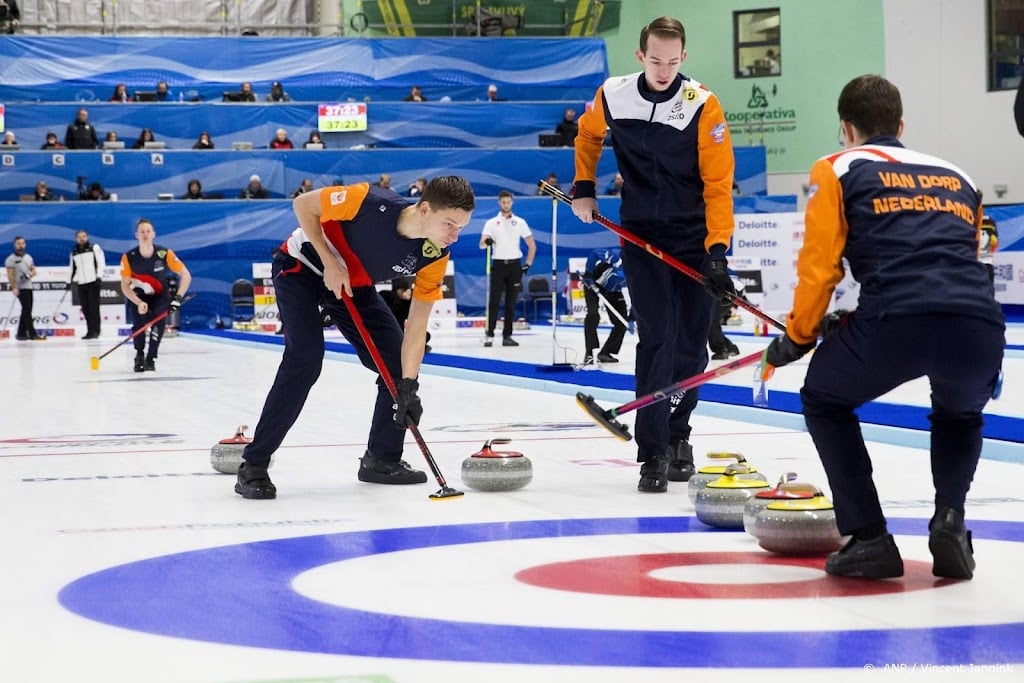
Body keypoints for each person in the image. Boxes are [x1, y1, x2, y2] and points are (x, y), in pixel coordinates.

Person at [762, 75, 1005, 581]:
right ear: (900, 125)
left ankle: (870, 538)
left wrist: (799, 337)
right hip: (979, 325)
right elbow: (974, 252)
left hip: (896, 320)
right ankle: (950, 522)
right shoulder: (957, 174)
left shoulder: (836, 168)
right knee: (960, 415)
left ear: (845, 129)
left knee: (824, 398)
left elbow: (820, 267)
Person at [571, 16, 737, 493]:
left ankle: (679, 434)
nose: (664, 70)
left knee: (691, 342)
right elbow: (587, 135)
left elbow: (718, 186)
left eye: (673, 61)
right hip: (641, 233)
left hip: (694, 238)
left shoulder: (701, 105)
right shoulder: (614, 94)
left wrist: (718, 255)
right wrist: (584, 185)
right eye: (655, 59)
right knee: (657, 335)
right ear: (640, 56)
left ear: (683, 58)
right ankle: (653, 451)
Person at [232, 176, 475, 500]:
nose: (454, 236)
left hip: (353, 285)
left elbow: (415, 327)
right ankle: (254, 464)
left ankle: (381, 459)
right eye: (449, 224)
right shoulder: (368, 201)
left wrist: (408, 387)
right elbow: (303, 205)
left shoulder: (434, 255)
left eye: (460, 228)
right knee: (305, 359)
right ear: (425, 209)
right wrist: (330, 261)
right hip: (301, 266)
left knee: (394, 362)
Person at [119, 218, 191, 372]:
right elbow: (124, 285)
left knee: (159, 322)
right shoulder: (129, 257)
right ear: (136, 235)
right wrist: (138, 302)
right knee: (139, 324)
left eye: (148, 231)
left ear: (154, 234)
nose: (145, 234)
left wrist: (177, 298)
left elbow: (186, 275)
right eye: (142, 232)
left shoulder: (164, 253)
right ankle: (139, 355)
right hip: (139, 296)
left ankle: (151, 357)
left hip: (160, 295)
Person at [479, 190, 536, 347]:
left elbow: (532, 245)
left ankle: (507, 336)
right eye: (503, 202)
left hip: (514, 265)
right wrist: (487, 242)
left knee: (511, 303)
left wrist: (528, 264)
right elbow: (482, 243)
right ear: (499, 203)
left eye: (508, 202)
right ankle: (489, 334)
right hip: (498, 265)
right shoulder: (491, 222)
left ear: (512, 202)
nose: (506, 204)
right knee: (494, 302)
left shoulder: (520, 222)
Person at [581, 247, 629, 364]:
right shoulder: (617, 258)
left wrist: (633, 316)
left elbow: (636, 295)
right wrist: (588, 273)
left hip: (613, 289)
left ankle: (605, 352)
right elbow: (594, 253)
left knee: (621, 321)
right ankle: (589, 353)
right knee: (593, 315)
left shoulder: (638, 275)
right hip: (593, 284)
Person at [68, 229, 106, 339]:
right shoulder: (74, 251)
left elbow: (101, 262)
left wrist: (99, 276)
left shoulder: (94, 248)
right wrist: (68, 281)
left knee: (94, 307)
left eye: (84, 236)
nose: (82, 238)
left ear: (87, 237)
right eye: (79, 236)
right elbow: (72, 268)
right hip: (81, 283)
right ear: (76, 239)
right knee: (85, 308)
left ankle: (96, 331)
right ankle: (89, 331)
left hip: (93, 281)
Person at [5, 236, 45, 341]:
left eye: (22, 243)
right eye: (18, 243)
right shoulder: (11, 259)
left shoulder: (28, 257)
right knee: (27, 311)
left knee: (26, 310)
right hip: (19, 287)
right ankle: (32, 334)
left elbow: (33, 270)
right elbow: (10, 275)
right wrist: (13, 288)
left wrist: (28, 275)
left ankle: (21, 333)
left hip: (28, 286)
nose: (20, 245)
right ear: (15, 245)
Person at [380, 277, 432, 353]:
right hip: (388, 332)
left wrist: (408, 301)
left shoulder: (410, 299)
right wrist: (399, 301)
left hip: (402, 333)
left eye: (407, 289)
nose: (407, 292)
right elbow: (388, 316)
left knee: (425, 335)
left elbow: (414, 317)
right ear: (397, 290)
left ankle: (413, 347)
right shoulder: (386, 296)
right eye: (403, 290)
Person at [979, 214, 998, 284]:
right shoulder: (991, 221)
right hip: (988, 261)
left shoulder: (973, 220)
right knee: (989, 286)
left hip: (975, 262)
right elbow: (994, 242)